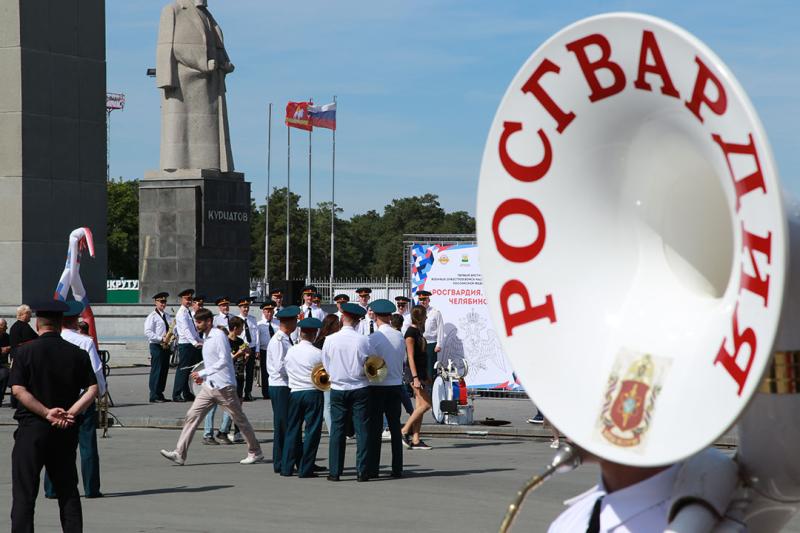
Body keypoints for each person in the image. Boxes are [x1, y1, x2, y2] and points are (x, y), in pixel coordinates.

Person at [10, 300, 99, 532]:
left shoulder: (25, 351)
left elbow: (18, 390)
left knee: (24, 494)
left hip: (31, 430)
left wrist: (46, 412)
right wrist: (71, 412)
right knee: (67, 491)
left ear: (38, 324)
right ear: (61, 324)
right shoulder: (77, 353)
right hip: (64, 429)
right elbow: (93, 389)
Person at [160, 308, 263, 466]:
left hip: (224, 387)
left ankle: (255, 451)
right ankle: (179, 453)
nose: (196, 325)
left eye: (199, 322)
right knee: (192, 415)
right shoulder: (206, 336)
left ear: (209, 321)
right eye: (195, 321)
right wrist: (205, 376)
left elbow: (224, 360)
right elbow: (211, 361)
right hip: (209, 387)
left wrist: (203, 373)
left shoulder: (218, 335)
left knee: (239, 419)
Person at [156, 0, 235, 172]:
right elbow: (172, 47)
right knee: (181, 130)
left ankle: (210, 166)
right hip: (183, 84)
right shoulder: (173, 10)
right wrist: (202, 63)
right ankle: (178, 167)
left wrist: (224, 62)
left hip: (210, 84)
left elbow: (218, 47)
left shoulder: (208, 16)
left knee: (209, 132)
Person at [44, 300, 106, 500]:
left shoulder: (52, 340)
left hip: (56, 398)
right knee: (87, 444)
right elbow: (97, 374)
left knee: (55, 444)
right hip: (82, 398)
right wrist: (101, 393)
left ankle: (51, 488)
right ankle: (91, 488)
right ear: (75, 320)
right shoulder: (85, 341)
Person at [322, 302, 372, 482]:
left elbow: (326, 365)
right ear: (358, 321)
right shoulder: (364, 340)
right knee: (362, 429)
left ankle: (335, 471)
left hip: (338, 387)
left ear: (342, 317)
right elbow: (369, 364)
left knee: (337, 430)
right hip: (359, 387)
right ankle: (362, 471)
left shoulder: (330, 340)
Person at [366, 299, 405, 479]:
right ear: (389, 316)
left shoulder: (373, 338)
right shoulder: (399, 335)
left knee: (375, 429)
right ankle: (397, 467)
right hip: (396, 385)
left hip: (378, 386)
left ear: (375, 316)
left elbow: (368, 363)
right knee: (395, 429)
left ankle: (373, 467)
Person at [281, 317, 325, 478]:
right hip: (313, 392)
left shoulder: (291, 351)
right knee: (312, 431)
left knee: (292, 429)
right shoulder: (318, 353)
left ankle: (286, 467)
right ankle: (305, 468)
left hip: (294, 392)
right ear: (314, 335)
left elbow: (284, 369)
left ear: (300, 333)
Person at [266, 305, 300, 473]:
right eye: (295, 320)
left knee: (286, 424)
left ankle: (286, 460)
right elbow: (280, 366)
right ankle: (280, 462)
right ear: (289, 322)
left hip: (284, 385)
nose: (296, 324)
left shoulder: (286, 338)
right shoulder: (279, 341)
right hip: (281, 385)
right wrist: (297, 373)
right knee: (282, 425)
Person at [210, 316, 249, 444]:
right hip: (229, 377)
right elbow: (225, 361)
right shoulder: (225, 342)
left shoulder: (240, 341)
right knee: (232, 405)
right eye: (241, 328)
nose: (243, 330)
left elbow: (242, 361)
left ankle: (232, 432)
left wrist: (246, 355)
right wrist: (238, 353)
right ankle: (223, 431)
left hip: (240, 375)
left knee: (238, 405)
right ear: (235, 328)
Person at [401, 305, 433, 450]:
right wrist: (415, 377)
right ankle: (404, 430)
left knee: (420, 407)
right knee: (427, 405)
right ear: (421, 318)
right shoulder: (410, 333)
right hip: (413, 374)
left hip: (420, 374)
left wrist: (425, 375)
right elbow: (410, 357)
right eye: (425, 316)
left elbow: (421, 357)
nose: (427, 318)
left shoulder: (418, 332)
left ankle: (416, 439)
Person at [172, 288, 203, 402]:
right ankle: (176, 394)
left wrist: (200, 340)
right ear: (182, 299)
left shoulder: (187, 312)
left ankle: (186, 393)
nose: (189, 301)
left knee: (190, 370)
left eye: (190, 299)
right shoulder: (181, 313)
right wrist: (195, 342)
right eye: (187, 299)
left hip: (190, 344)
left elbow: (193, 330)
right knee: (183, 370)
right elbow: (185, 330)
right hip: (185, 345)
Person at [313, 315, 341, 432]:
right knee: (327, 406)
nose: (339, 326)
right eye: (337, 324)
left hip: (333, 375)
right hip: (326, 377)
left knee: (329, 405)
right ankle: (332, 431)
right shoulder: (324, 340)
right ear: (331, 326)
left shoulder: (329, 339)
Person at [144, 292, 172, 403]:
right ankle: (153, 395)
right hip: (156, 345)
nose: (163, 304)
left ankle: (160, 393)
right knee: (157, 370)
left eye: (164, 302)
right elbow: (147, 332)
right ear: (156, 302)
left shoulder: (168, 316)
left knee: (164, 370)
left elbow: (171, 329)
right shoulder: (152, 316)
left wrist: (172, 336)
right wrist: (161, 338)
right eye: (161, 302)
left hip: (166, 346)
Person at [389, 313, 415, 419]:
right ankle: (412, 414)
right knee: (403, 395)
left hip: (391, 371)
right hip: (400, 370)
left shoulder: (389, 337)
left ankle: (412, 414)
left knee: (392, 401)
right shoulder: (401, 337)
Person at [417, 290, 444, 382]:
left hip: (431, 343)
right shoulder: (416, 312)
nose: (422, 301)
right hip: (419, 343)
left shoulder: (435, 312)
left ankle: (431, 390)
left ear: (429, 300)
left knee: (430, 368)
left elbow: (440, 328)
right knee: (420, 366)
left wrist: (439, 344)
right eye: (420, 299)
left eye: (424, 299)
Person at [235, 297, 259, 401]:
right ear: (239, 308)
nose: (246, 309)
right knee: (239, 372)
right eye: (244, 307)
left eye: (247, 307)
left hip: (251, 348)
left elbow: (256, 335)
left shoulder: (253, 319)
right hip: (241, 348)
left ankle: (248, 392)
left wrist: (257, 349)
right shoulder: (236, 319)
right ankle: (238, 393)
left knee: (250, 372)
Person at [257, 301, 278, 399]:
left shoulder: (277, 323)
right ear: (263, 312)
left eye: (271, 311)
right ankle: (266, 393)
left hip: (276, 351)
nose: (269, 313)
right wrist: (257, 350)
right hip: (264, 350)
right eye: (267, 311)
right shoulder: (259, 324)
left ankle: (274, 390)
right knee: (265, 372)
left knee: (276, 370)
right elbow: (257, 339)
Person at [0, 318, 11, 406]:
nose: (7, 327)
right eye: (5, 326)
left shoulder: (6, 337)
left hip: (3, 364)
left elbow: (12, 346)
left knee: (5, 374)